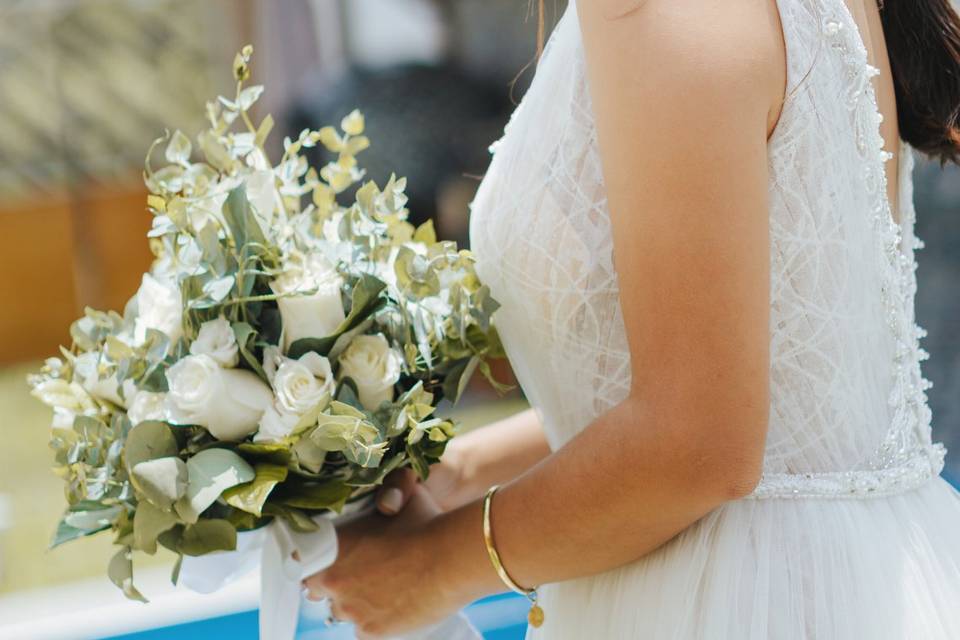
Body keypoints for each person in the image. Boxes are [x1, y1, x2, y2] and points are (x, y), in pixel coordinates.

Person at [303, 0, 960, 637]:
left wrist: (431, 568)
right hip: (844, 578)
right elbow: (779, 384)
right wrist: (464, 468)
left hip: (732, 600)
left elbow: (697, 443)